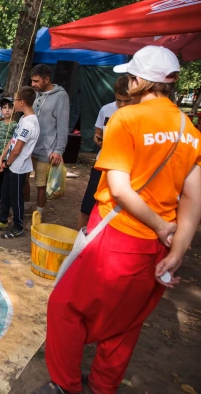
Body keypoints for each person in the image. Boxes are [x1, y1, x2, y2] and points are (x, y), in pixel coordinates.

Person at [36, 46, 201, 394]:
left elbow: (121, 190)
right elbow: (193, 197)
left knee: (65, 307)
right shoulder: (190, 129)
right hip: (156, 248)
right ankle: (102, 386)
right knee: (126, 322)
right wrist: (177, 247)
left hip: (117, 236)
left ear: (139, 80)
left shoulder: (126, 119)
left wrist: (158, 225)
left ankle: (65, 385)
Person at [77, 76, 133, 229]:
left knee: (114, 213)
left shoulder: (138, 114)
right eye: (118, 100)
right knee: (86, 208)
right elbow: (97, 133)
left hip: (126, 169)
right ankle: (78, 245)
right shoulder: (106, 109)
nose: (121, 104)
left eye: (126, 101)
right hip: (102, 164)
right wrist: (99, 139)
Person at [0, 86, 40, 239]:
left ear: (22, 102)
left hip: (19, 167)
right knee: (5, 192)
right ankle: (3, 219)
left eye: (15, 100)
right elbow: (12, 140)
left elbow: (17, 149)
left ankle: (17, 226)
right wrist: (2, 158)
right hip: (11, 163)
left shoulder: (30, 123)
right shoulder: (22, 119)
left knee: (16, 197)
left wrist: (7, 163)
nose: (13, 103)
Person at [29, 64, 69, 217]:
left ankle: (38, 214)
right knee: (23, 180)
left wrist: (58, 150)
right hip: (27, 148)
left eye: (36, 81)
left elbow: (63, 125)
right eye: (32, 81)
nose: (33, 84)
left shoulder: (60, 96)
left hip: (45, 150)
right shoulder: (34, 94)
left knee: (41, 185)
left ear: (47, 79)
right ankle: (25, 206)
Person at [0, 96, 17, 215]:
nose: (7, 110)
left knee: (7, 185)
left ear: (14, 110)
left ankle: (4, 208)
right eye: (4, 108)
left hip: (8, 160)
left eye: (10, 108)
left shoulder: (16, 125)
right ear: (1, 109)